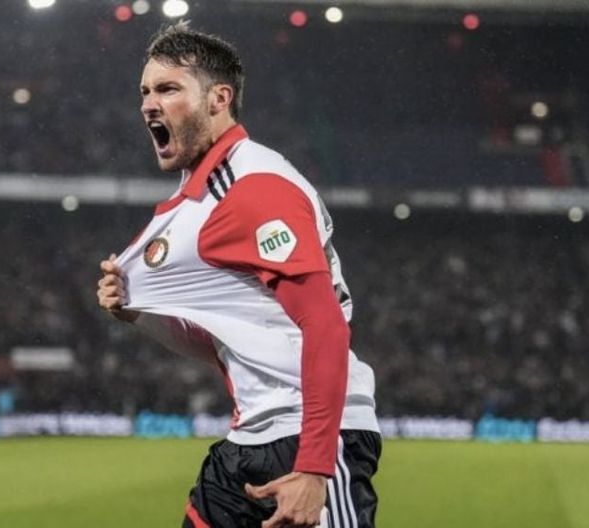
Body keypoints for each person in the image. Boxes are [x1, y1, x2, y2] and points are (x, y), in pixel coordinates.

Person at [96, 23, 380, 528]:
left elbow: (325, 325)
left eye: (168, 89)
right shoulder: (203, 196)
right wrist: (137, 313)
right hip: (250, 437)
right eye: (144, 91)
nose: (148, 105)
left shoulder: (253, 187)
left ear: (218, 99)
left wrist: (315, 468)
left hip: (309, 436)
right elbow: (220, 343)